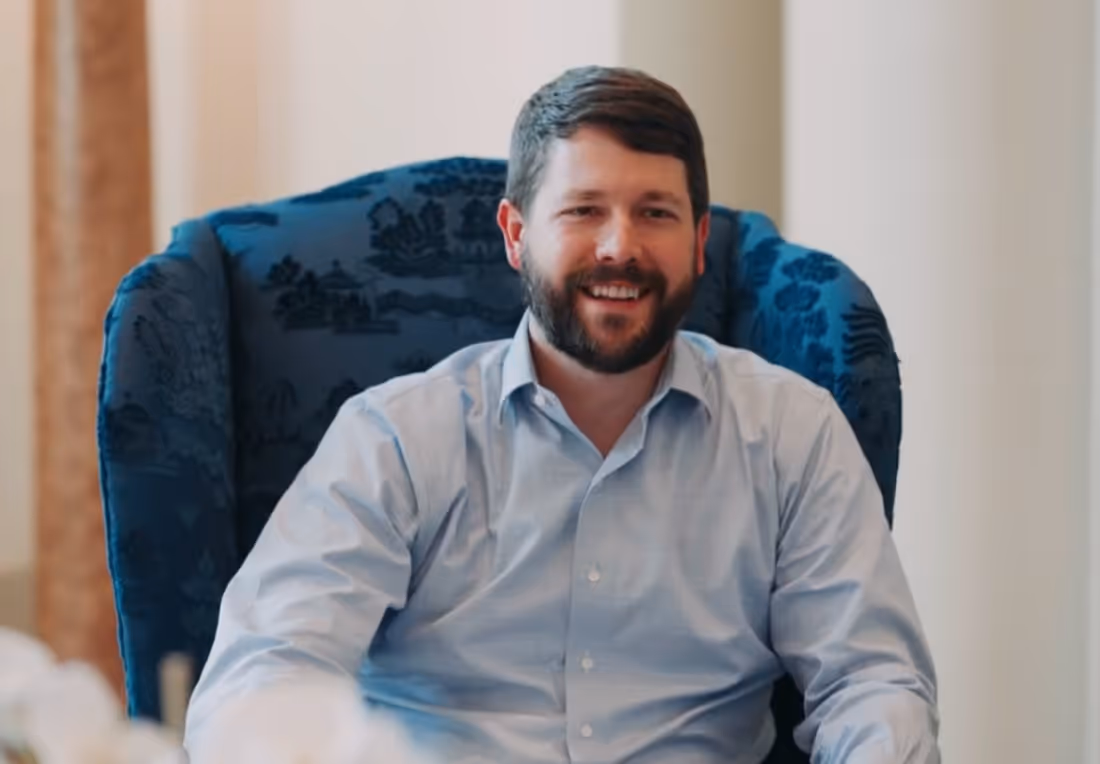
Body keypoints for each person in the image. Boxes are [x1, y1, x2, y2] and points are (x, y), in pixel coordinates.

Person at [184, 65, 939, 763]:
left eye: (655, 213)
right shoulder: (396, 439)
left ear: (699, 241)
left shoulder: (792, 435)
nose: (621, 246)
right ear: (516, 235)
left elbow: (869, 682)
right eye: (584, 210)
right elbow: (264, 677)